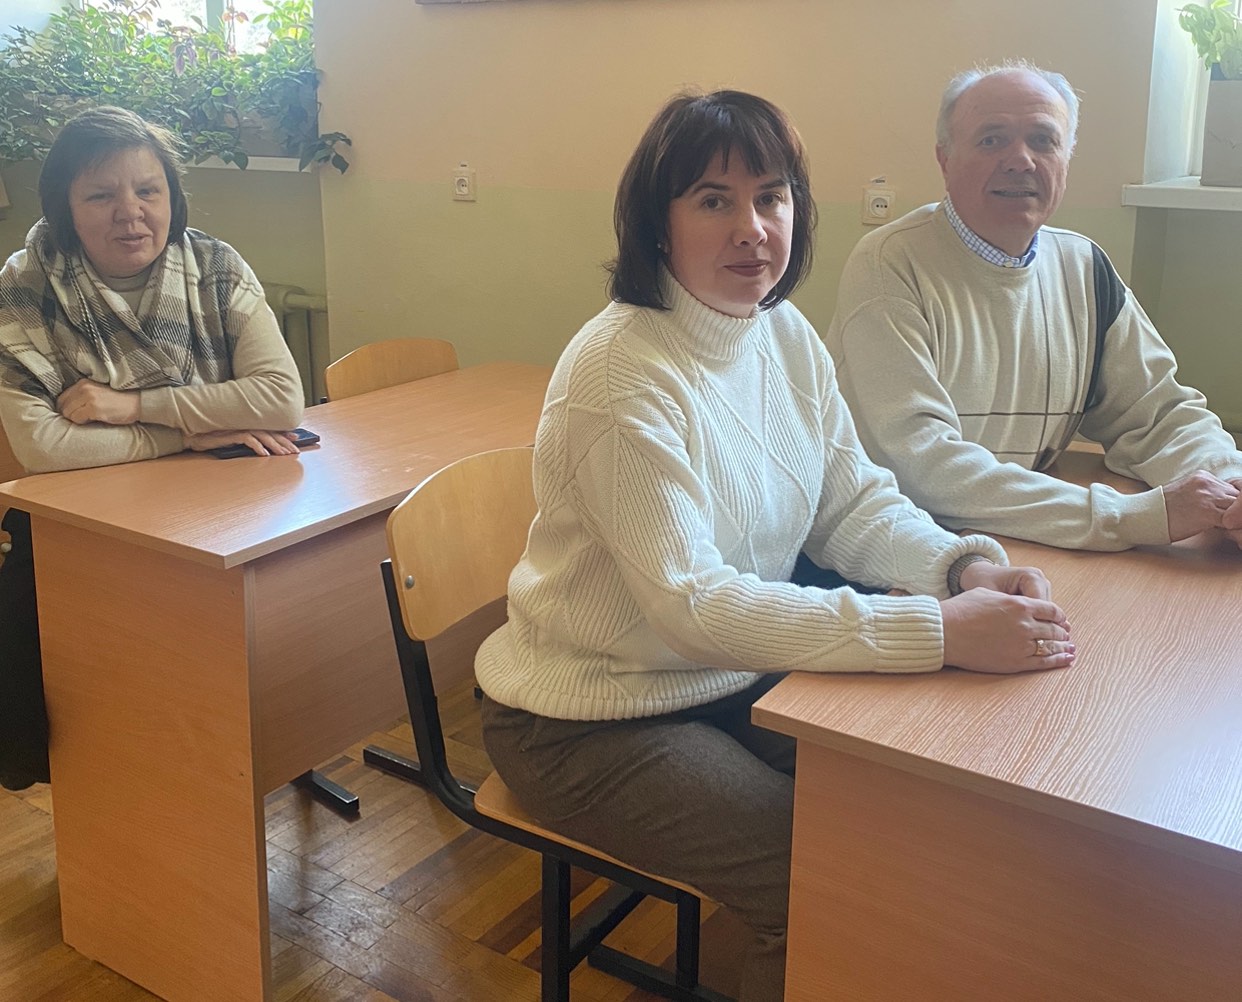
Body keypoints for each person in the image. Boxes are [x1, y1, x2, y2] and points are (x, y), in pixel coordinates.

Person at [472, 90, 1072, 1002]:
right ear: (658, 223)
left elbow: (850, 501)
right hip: (589, 718)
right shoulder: (617, 370)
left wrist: (963, 568)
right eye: (713, 200)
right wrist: (940, 632)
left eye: (772, 196)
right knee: (818, 880)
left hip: (727, 675)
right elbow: (695, 606)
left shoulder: (783, 332)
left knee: (915, 806)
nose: (752, 228)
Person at [0, 106, 305, 791]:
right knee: (113, 729)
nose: (130, 213)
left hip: (214, 512)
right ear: (64, 208)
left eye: (148, 190)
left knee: (229, 686)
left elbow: (281, 399)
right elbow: (44, 446)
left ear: (172, 196)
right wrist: (191, 430)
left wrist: (132, 407)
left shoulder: (215, 266)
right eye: (100, 195)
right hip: (79, 533)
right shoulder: (21, 291)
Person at [826, 61, 1242, 553]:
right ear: (944, 159)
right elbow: (920, 468)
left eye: (1043, 140)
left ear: (1066, 159)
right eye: (991, 140)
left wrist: (1229, 485)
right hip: (893, 554)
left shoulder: (1085, 267)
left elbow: (1157, 416)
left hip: (1020, 538)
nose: (1020, 160)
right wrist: (1133, 516)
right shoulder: (889, 264)